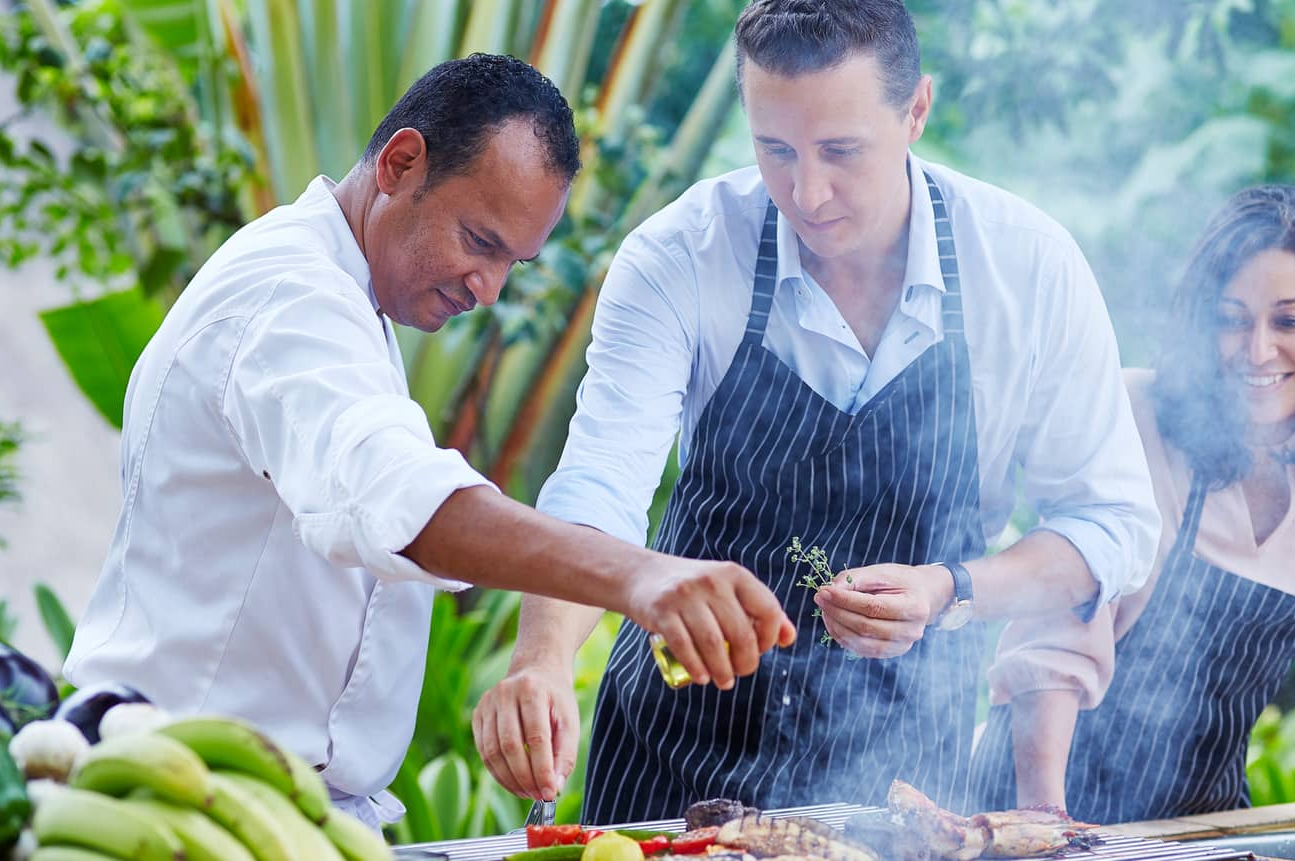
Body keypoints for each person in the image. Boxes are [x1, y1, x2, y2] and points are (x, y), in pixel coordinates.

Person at [471, 0, 1161, 823]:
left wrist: (953, 587)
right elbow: (600, 486)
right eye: (775, 150)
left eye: (842, 151)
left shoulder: (1027, 269)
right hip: (671, 756)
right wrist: (543, 656)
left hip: (904, 779)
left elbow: (1112, 524)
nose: (808, 192)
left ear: (916, 111)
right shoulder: (679, 255)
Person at [63, 54, 794, 829]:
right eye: (480, 240)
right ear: (400, 163)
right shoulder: (288, 297)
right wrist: (642, 578)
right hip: (171, 789)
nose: (489, 289)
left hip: (278, 804)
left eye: (512, 262)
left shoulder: (350, 296)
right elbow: (403, 501)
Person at [969, 185, 1295, 823]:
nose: (1256, 349)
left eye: (1290, 321)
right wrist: (1043, 823)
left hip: (1203, 820)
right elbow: (1055, 643)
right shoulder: (1135, 411)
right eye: (1231, 319)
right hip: (1039, 801)